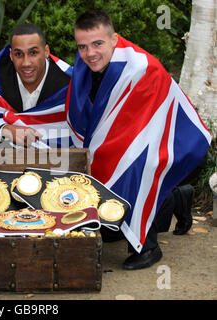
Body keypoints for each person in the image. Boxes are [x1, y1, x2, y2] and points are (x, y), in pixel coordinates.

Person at [67, 10, 211, 270]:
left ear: (114, 40)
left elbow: (144, 130)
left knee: (134, 164)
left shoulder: (140, 69)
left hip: (176, 142)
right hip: (134, 138)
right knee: (98, 159)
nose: (90, 53)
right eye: (82, 46)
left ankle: (148, 246)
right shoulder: (84, 66)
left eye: (98, 43)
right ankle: (172, 200)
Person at [0, 23, 83, 149]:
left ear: (46, 52)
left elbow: (81, 136)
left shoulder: (69, 83)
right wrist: (5, 130)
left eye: (33, 53)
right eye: (19, 54)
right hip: (5, 160)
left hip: (58, 161)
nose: (26, 63)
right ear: (11, 55)